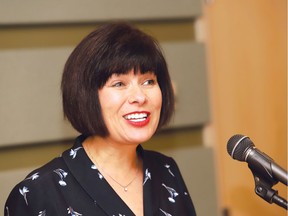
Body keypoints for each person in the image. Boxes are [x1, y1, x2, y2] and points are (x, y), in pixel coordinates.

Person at [4, 22, 197, 216]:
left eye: (148, 81)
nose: (139, 97)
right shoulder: (38, 193)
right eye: (119, 83)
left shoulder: (166, 170)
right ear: (86, 96)